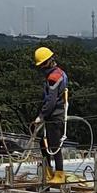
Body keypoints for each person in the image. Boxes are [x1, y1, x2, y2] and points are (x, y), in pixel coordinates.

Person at [33, 46, 69, 183]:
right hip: (53, 113)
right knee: (44, 143)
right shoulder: (60, 73)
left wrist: (41, 116)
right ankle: (47, 172)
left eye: (43, 64)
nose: (41, 68)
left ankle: (59, 174)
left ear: (49, 61)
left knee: (54, 145)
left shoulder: (54, 77)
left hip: (54, 115)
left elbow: (51, 100)